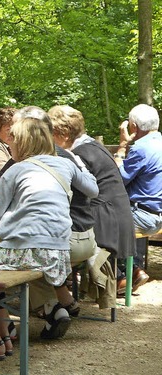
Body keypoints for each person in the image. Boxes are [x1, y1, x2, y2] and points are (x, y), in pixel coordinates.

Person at [0, 115, 98, 359]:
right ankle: (4, 337)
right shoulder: (66, 164)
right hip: (57, 254)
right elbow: (93, 189)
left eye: (12, 141)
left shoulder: (15, 170)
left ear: (23, 143)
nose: (10, 146)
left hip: (26, 252)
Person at [49, 105, 123, 304]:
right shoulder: (93, 146)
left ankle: (54, 305)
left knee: (43, 243)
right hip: (115, 218)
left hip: (101, 225)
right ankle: (60, 302)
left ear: (61, 134)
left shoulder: (76, 155)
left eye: (50, 133)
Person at [113, 104, 162, 292]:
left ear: (133, 126)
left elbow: (117, 180)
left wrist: (122, 147)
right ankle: (134, 270)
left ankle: (121, 277)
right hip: (156, 215)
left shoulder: (141, 148)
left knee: (99, 226)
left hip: (142, 217)